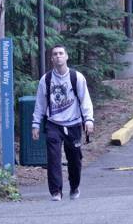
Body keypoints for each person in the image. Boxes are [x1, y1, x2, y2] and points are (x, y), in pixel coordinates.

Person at [32, 44, 94, 201]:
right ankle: (56, 191)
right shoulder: (46, 80)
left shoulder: (76, 77)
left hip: (73, 124)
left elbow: (85, 99)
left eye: (61, 53)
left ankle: (74, 186)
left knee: (75, 159)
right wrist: (36, 124)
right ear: (51, 59)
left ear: (66, 56)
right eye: (55, 54)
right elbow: (40, 104)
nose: (58, 56)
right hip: (53, 124)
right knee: (53, 158)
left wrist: (88, 120)